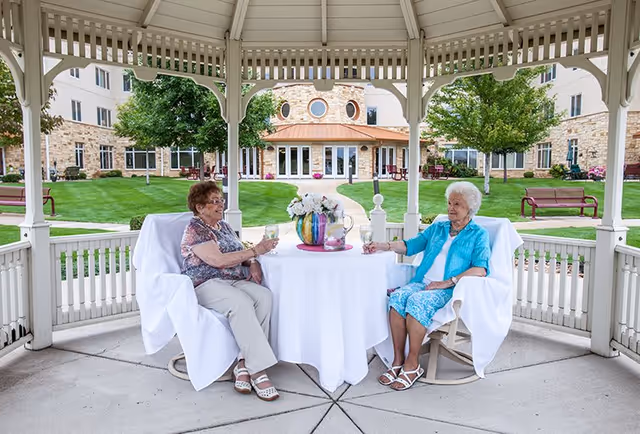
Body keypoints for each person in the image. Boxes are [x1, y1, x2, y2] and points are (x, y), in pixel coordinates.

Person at [363, 181, 491, 391]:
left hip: (448, 289)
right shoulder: (439, 228)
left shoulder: (478, 235)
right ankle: (398, 361)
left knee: (416, 301)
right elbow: (410, 245)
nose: (451, 208)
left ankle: (412, 365)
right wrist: (382, 245)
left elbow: (480, 269)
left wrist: (448, 282)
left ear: (470, 208)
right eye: (450, 203)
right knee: (397, 298)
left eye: (457, 204)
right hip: (422, 283)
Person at [180, 181, 280, 401]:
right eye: (214, 201)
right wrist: (256, 250)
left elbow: (239, 252)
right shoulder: (196, 228)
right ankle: (258, 370)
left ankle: (243, 364)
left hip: (231, 280)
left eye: (221, 200)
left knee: (264, 296)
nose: (220, 205)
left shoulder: (223, 226)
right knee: (240, 303)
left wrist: (253, 260)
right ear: (199, 207)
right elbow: (217, 260)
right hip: (205, 283)